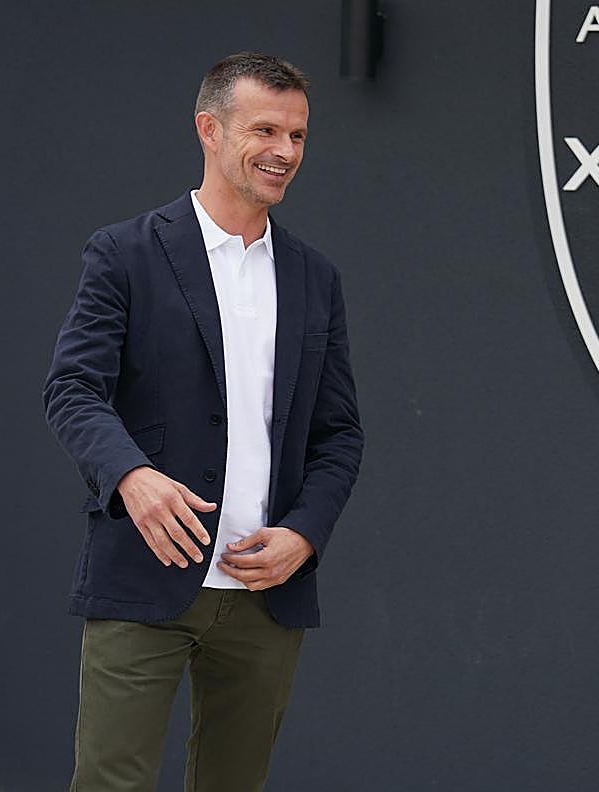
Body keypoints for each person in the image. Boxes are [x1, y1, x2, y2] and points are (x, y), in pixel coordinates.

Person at [44, 52, 364, 791]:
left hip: (265, 595)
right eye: (265, 130)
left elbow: (338, 434)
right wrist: (131, 477)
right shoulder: (125, 253)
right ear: (209, 130)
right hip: (142, 578)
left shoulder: (316, 278)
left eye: (299, 135)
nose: (285, 151)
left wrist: (305, 533)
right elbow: (72, 388)